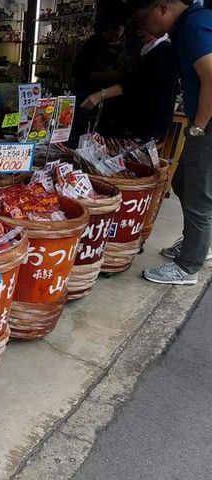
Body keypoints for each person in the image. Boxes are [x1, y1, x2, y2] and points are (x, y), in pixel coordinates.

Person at [129, 0, 212, 285]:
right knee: (183, 183)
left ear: (161, 7)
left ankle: (188, 266)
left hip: (208, 124)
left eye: (143, 20)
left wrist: (199, 126)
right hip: (203, 121)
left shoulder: (192, 25)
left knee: (198, 194)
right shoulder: (189, 25)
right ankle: (197, 244)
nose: (144, 28)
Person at [80, 27, 178, 143]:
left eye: (145, 27)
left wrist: (100, 95)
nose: (139, 31)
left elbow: (135, 83)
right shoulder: (148, 50)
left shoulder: (163, 52)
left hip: (149, 121)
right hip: (139, 120)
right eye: (139, 27)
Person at [72, 15, 131, 138]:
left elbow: (131, 79)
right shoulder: (93, 44)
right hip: (87, 97)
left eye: (116, 28)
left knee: (107, 139)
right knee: (83, 133)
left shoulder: (130, 44)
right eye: (108, 29)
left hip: (114, 105)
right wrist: (107, 76)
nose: (112, 33)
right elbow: (80, 71)